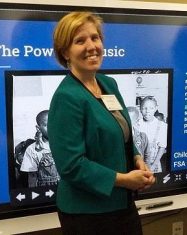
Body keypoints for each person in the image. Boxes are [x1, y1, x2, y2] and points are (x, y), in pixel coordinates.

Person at [48, 11, 155, 235]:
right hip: (88, 214)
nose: (91, 46)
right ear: (65, 52)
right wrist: (125, 180)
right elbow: (71, 166)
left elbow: (121, 131)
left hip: (121, 204)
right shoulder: (66, 97)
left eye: (95, 38)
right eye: (80, 40)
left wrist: (136, 157)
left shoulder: (108, 84)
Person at [20, 110, 60, 187]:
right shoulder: (32, 149)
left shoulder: (66, 145)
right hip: (45, 192)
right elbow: (32, 177)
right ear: (38, 128)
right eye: (47, 125)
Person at [138, 96, 168, 173]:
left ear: (155, 108)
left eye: (151, 108)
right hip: (139, 164)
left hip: (154, 164)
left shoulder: (162, 126)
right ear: (140, 109)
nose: (147, 111)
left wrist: (153, 166)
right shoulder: (136, 124)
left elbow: (162, 147)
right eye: (144, 108)